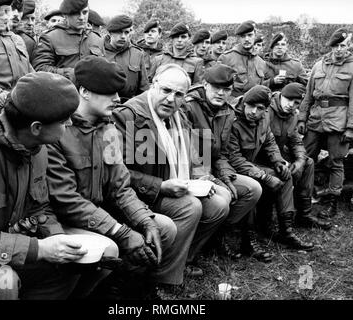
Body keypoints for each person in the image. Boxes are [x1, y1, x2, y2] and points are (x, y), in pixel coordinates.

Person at [0, 72, 118, 300]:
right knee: (2, 282)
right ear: (36, 127)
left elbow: (39, 207)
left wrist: (60, 244)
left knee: (85, 254)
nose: (71, 122)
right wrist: (40, 250)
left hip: (7, 245)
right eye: (65, 120)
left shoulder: (36, 147)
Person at [46, 56, 176, 298]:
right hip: (62, 220)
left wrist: (144, 220)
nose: (118, 99)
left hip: (97, 213)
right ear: (84, 91)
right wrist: (121, 232)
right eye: (110, 93)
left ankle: (127, 287)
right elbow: (66, 200)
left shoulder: (108, 129)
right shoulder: (58, 131)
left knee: (161, 227)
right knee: (112, 246)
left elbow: (120, 187)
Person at [113, 64, 232, 284]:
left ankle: (182, 258)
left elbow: (194, 152)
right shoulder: (127, 115)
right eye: (166, 90)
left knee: (220, 203)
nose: (171, 99)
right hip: (138, 194)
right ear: (153, 85)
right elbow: (115, 173)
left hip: (173, 184)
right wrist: (160, 185)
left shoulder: (179, 115)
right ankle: (163, 276)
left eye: (178, 94)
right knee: (190, 207)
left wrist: (200, 175)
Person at [184, 64, 272, 262]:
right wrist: (215, 179)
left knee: (252, 189)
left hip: (213, 169)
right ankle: (189, 253)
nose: (221, 93)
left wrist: (227, 176)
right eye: (216, 88)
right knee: (221, 199)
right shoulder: (189, 107)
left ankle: (217, 234)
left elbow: (222, 153)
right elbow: (187, 152)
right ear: (205, 84)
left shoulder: (228, 112)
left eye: (226, 89)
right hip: (190, 172)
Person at [228, 85, 314, 250]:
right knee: (256, 186)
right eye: (251, 106)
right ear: (244, 103)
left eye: (259, 108)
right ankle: (249, 235)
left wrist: (279, 161)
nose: (254, 111)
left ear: (264, 110)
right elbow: (234, 158)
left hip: (252, 164)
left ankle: (286, 230)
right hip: (236, 167)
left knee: (285, 172)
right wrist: (265, 176)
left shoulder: (263, 119)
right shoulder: (233, 120)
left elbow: (270, 142)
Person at [298, 28, 353, 219]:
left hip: (339, 120)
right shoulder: (318, 65)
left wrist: (351, 127)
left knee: (336, 162)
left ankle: (332, 202)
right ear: (331, 46)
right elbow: (307, 95)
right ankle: (303, 195)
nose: (339, 49)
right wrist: (302, 119)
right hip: (316, 118)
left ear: (348, 46)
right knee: (305, 156)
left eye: (343, 45)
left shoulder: (352, 66)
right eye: (336, 46)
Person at [269, 82, 332, 230]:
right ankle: (286, 222)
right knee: (286, 170)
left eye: (296, 103)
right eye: (289, 99)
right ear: (280, 96)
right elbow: (264, 144)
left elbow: (296, 141)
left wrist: (299, 161)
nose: (292, 105)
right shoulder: (266, 111)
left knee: (308, 162)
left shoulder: (293, 116)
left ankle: (304, 214)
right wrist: (280, 160)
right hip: (263, 157)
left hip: (278, 155)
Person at [32, 0, 105, 84]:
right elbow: (39, 68)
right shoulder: (50, 37)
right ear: (65, 15)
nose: (81, 17)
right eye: (75, 13)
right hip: (62, 92)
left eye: (85, 12)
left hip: (92, 94)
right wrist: (70, 74)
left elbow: (103, 67)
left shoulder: (97, 39)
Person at [104, 14, 149, 103]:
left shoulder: (137, 54)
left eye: (126, 32)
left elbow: (144, 88)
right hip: (103, 104)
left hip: (129, 106)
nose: (123, 36)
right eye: (119, 32)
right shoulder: (99, 52)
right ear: (110, 33)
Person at [218, 20, 268, 97]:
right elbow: (218, 87)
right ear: (239, 38)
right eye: (243, 36)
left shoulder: (261, 63)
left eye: (250, 35)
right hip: (232, 105)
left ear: (255, 36)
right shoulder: (226, 58)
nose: (246, 39)